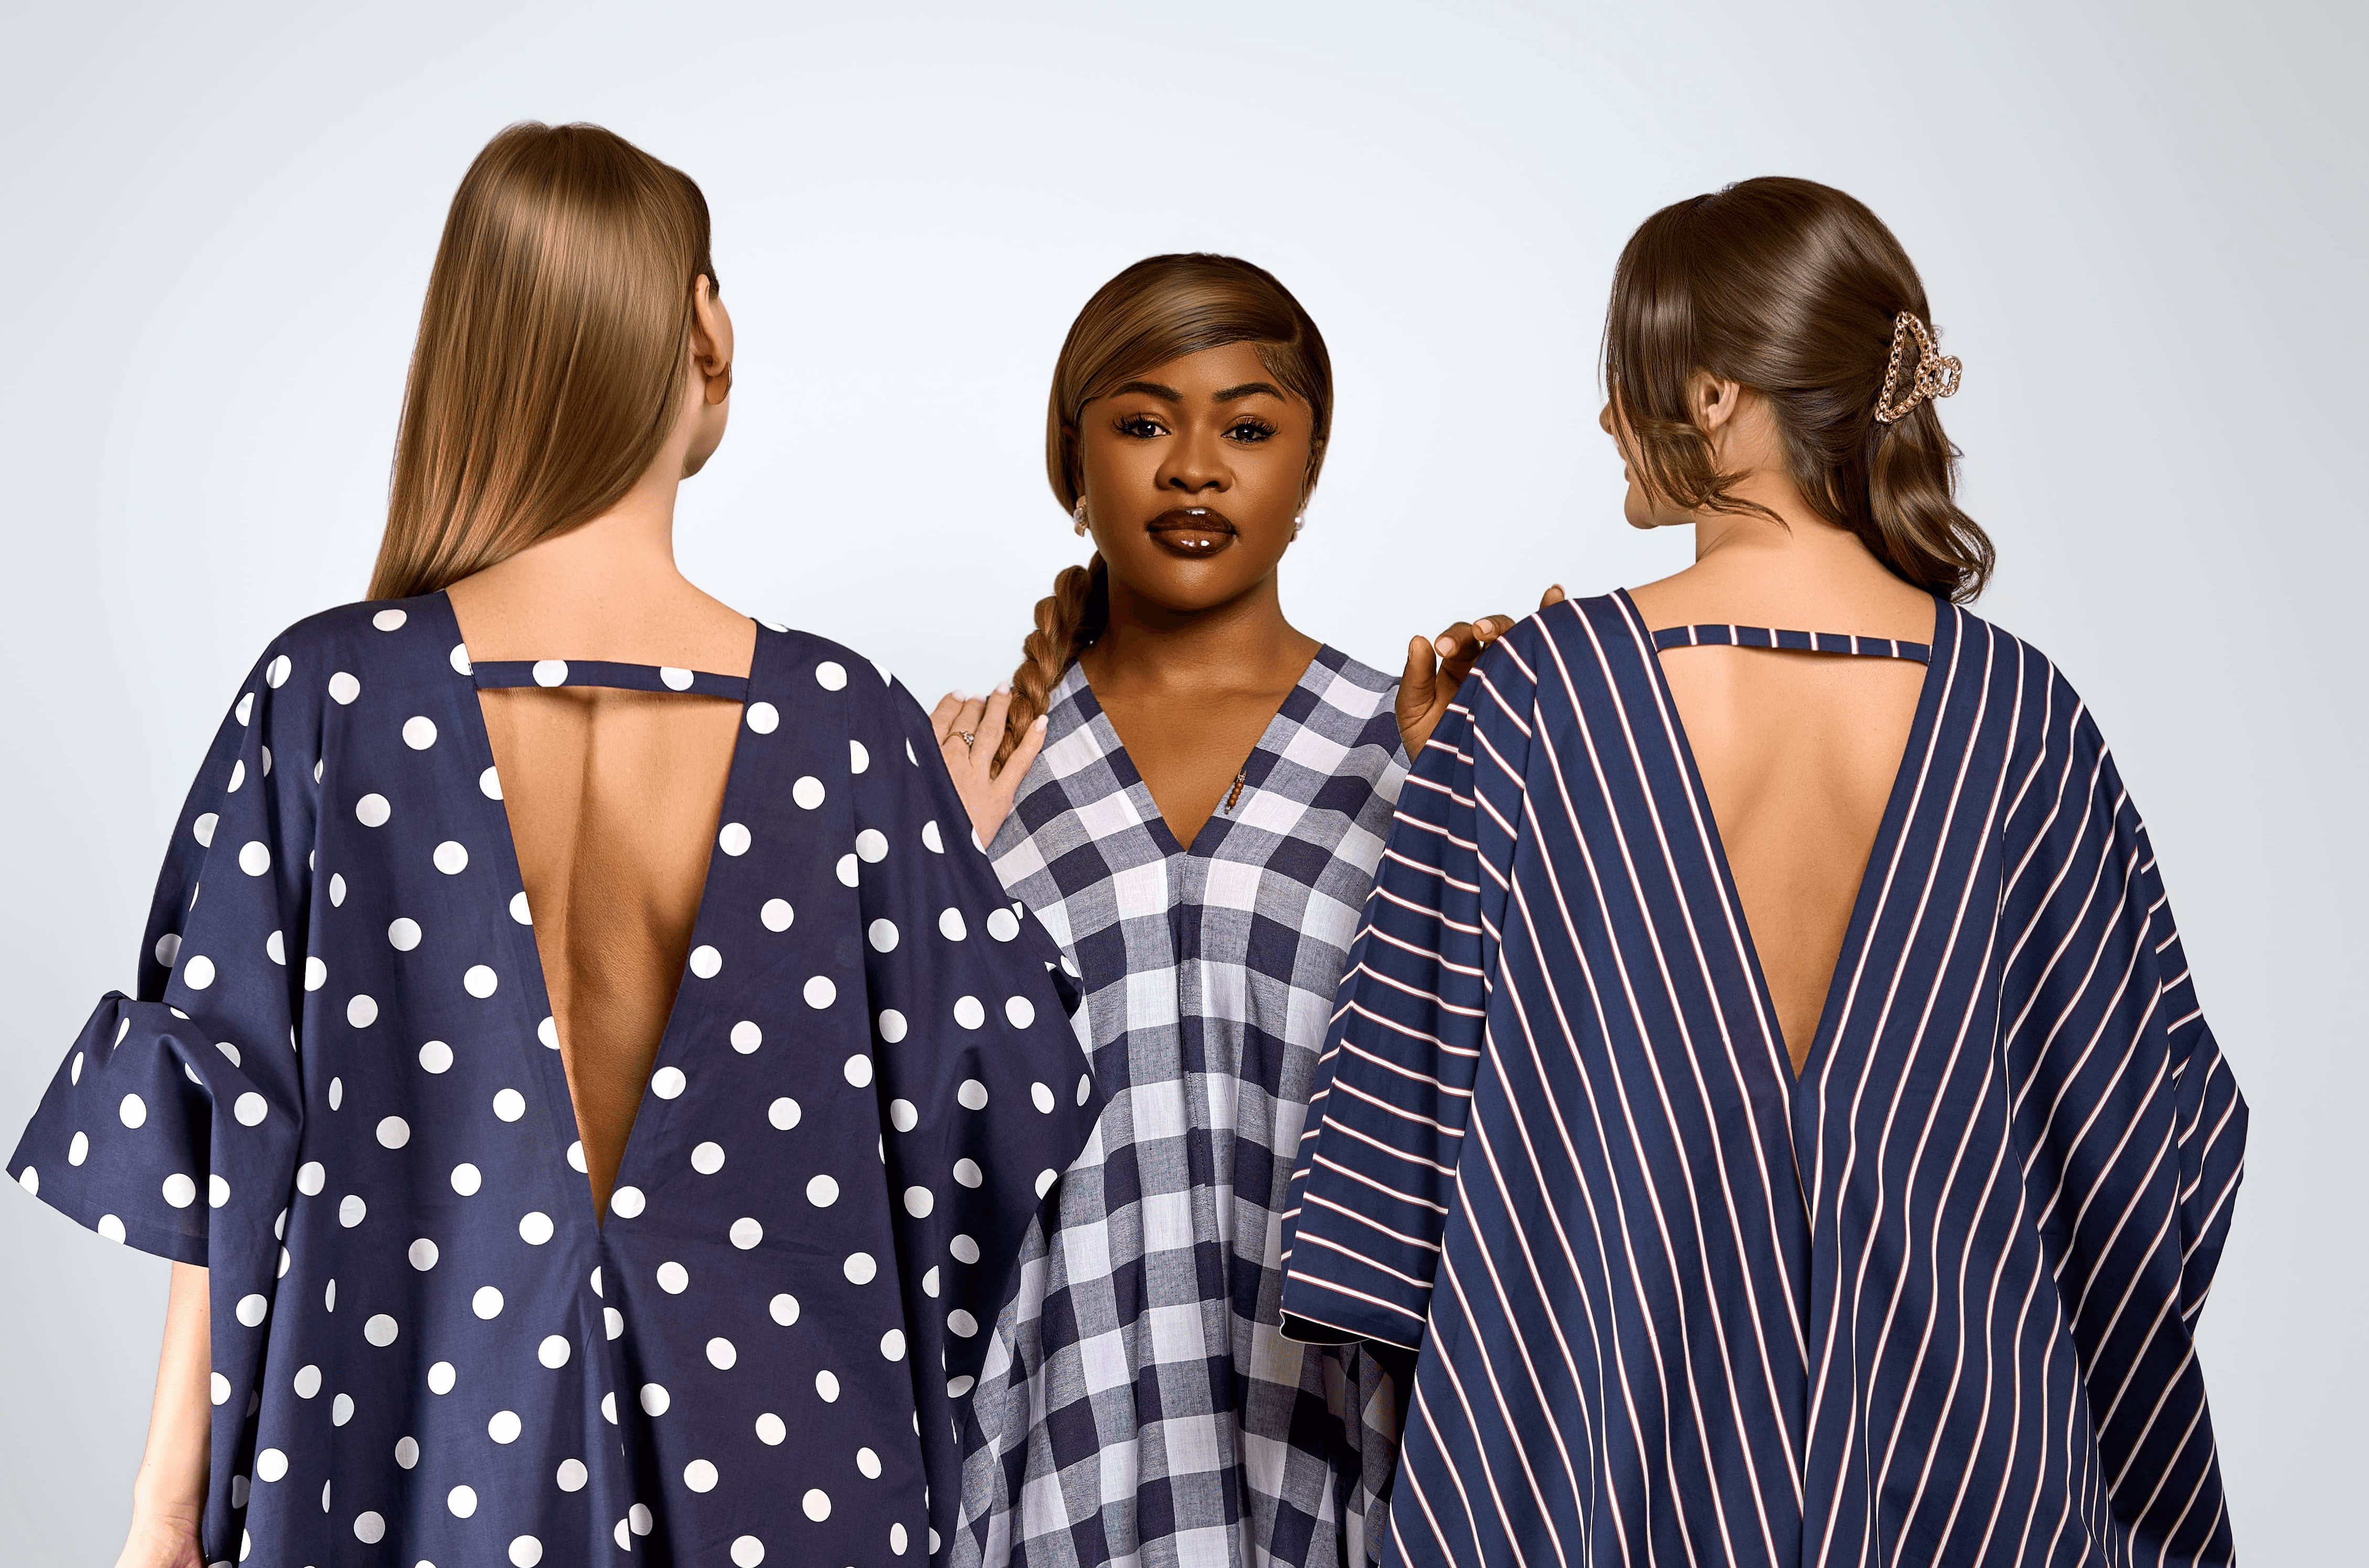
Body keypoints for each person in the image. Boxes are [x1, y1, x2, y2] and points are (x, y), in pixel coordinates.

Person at [9, 121, 1099, 1568]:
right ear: (704, 328)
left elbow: (227, 1130)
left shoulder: (327, 700)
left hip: (397, 1465)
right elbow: (996, 1120)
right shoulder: (847, 733)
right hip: (788, 1486)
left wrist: (157, 1517)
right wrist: (932, 859)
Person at [1278, 178, 2247, 1567]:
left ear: (1716, 392)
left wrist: (1454, 776)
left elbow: (1389, 1163)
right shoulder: (2022, 718)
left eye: (1626, 377)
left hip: (1592, 1484)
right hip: (1978, 1490)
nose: (1607, 415)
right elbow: (2157, 1143)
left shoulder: (1537, 704)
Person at [927, 253, 1544, 1568]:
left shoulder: (1412, 752)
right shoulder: (976, 768)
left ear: (1309, 470)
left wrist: (1495, 803)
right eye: (1144, 424)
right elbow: (900, 1142)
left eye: (1248, 428)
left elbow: (1512, 1122)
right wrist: (937, 871)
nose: (1195, 467)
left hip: (1341, 1454)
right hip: (1046, 1449)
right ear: (1072, 461)